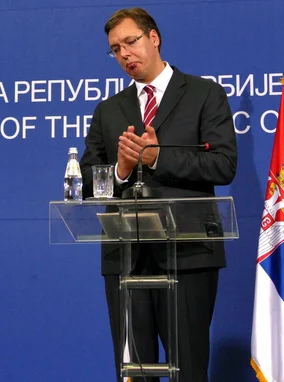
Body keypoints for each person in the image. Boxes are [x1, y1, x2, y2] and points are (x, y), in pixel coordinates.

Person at [79, 8, 237, 382]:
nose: (124, 55)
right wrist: (121, 168)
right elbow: (87, 181)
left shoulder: (204, 94)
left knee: (189, 370)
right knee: (133, 373)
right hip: (127, 258)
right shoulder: (109, 110)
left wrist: (157, 156)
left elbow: (223, 165)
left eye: (130, 42)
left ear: (154, 38)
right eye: (115, 49)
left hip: (189, 250)